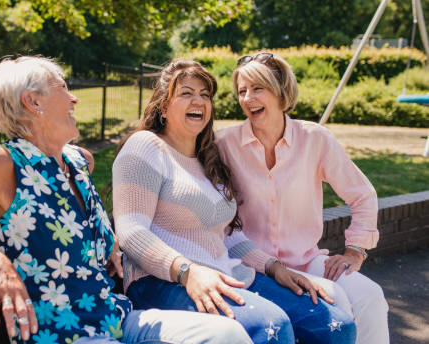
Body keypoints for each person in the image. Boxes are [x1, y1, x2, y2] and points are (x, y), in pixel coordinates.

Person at [0, 56, 254, 344]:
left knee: (228, 335)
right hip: (62, 334)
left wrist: (108, 242)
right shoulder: (1, 164)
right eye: (64, 89)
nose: (74, 99)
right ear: (32, 101)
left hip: (116, 320)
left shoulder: (75, 162)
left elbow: (80, 228)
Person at [112, 59, 356, 344]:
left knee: (335, 324)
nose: (199, 101)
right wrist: (186, 271)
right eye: (187, 93)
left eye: (205, 95)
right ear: (163, 107)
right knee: (269, 329)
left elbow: (228, 236)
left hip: (227, 273)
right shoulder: (145, 146)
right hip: (162, 280)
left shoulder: (209, 159)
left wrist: (276, 268)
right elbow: (131, 231)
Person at [215, 52, 389, 344]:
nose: (247, 98)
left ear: (281, 91)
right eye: (242, 91)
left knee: (371, 297)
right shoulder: (224, 144)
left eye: (258, 88)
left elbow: (363, 196)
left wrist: (355, 252)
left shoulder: (315, 139)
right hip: (253, 265)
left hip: (307, 261)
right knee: (334, 303)